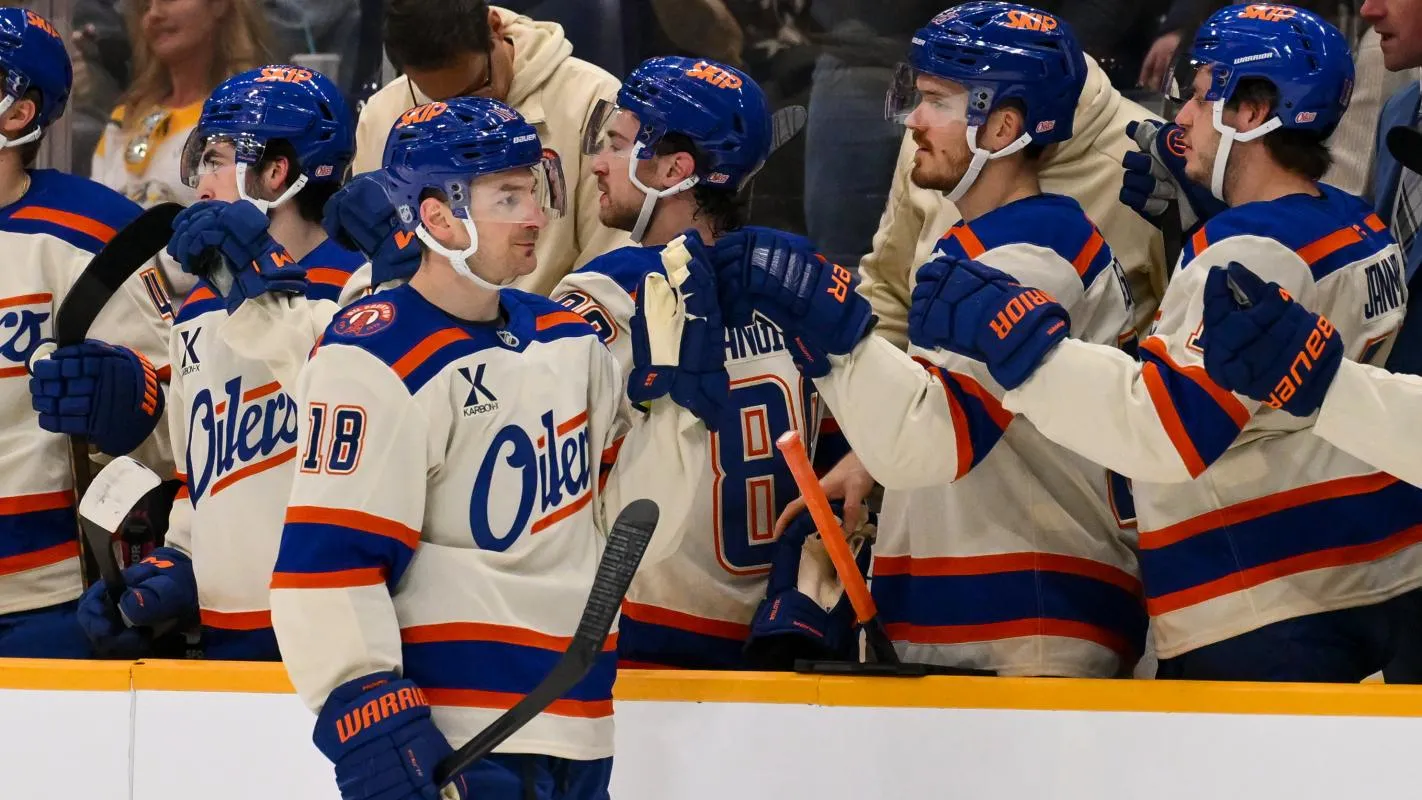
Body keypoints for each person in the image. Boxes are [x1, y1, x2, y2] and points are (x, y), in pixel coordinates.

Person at [898, 4, 1422, 682]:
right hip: (1370, 568)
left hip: (1256, 598)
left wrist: (1028, 350)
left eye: (1204, 96)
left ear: (1254, 110)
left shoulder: (1248, 250)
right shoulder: (1359, 224)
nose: (1181, 119)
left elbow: (1167, 430)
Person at [269, 96, 715, 799]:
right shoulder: (373, 357)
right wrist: (366, 713)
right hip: (459, 735)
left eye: (534, 189)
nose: (536, 215)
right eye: (508, 195)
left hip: (580, 723)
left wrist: (679, 416)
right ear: (438, 216)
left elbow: (624, 539)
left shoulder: (569, 339)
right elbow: (328, 567)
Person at [705, 2, 1146, 677]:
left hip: (1030, 612)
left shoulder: (1038, 252)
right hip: (972, 603)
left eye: (939, 101)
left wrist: (830, 326)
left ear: (1003, 126)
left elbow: (929, 443)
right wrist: (866, 456)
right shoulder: (983, 243)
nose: (914, 118)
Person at [552, 56, 862, 669]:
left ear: (674, 169)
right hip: (774, 643)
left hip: (640, 645)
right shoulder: (798, 290)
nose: (596, 162)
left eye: (616, 143)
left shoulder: (611, 292)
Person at [48, 66, 360, 661]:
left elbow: (349, 427)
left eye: (215, 158)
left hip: (338, 637)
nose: (198, 182)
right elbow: (206, 478)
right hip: (223, 639)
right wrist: (178, 565)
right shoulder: (198, 308)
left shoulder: (365, 292)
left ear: (276, 173)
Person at [6, 6, 173, 658]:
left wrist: (135, 399)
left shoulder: (93, 231)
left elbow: (181, 416)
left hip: (51, 598)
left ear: (17, 109)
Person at [351, 1, 628, 295]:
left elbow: (609, 265)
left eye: (476, 89)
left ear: (495, 27)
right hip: (424, 330)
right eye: (439, 102)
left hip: (554, 327)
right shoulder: (384, 115)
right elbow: (373, 260)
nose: (467, 113)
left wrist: (548, 333)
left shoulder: (593, 100)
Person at [89, 0, 273, 302]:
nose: (154, 14)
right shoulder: (124, 118)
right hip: (115, 316)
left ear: (219, 6)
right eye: (145, 6)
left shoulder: (251, 114)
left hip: (205, 318)